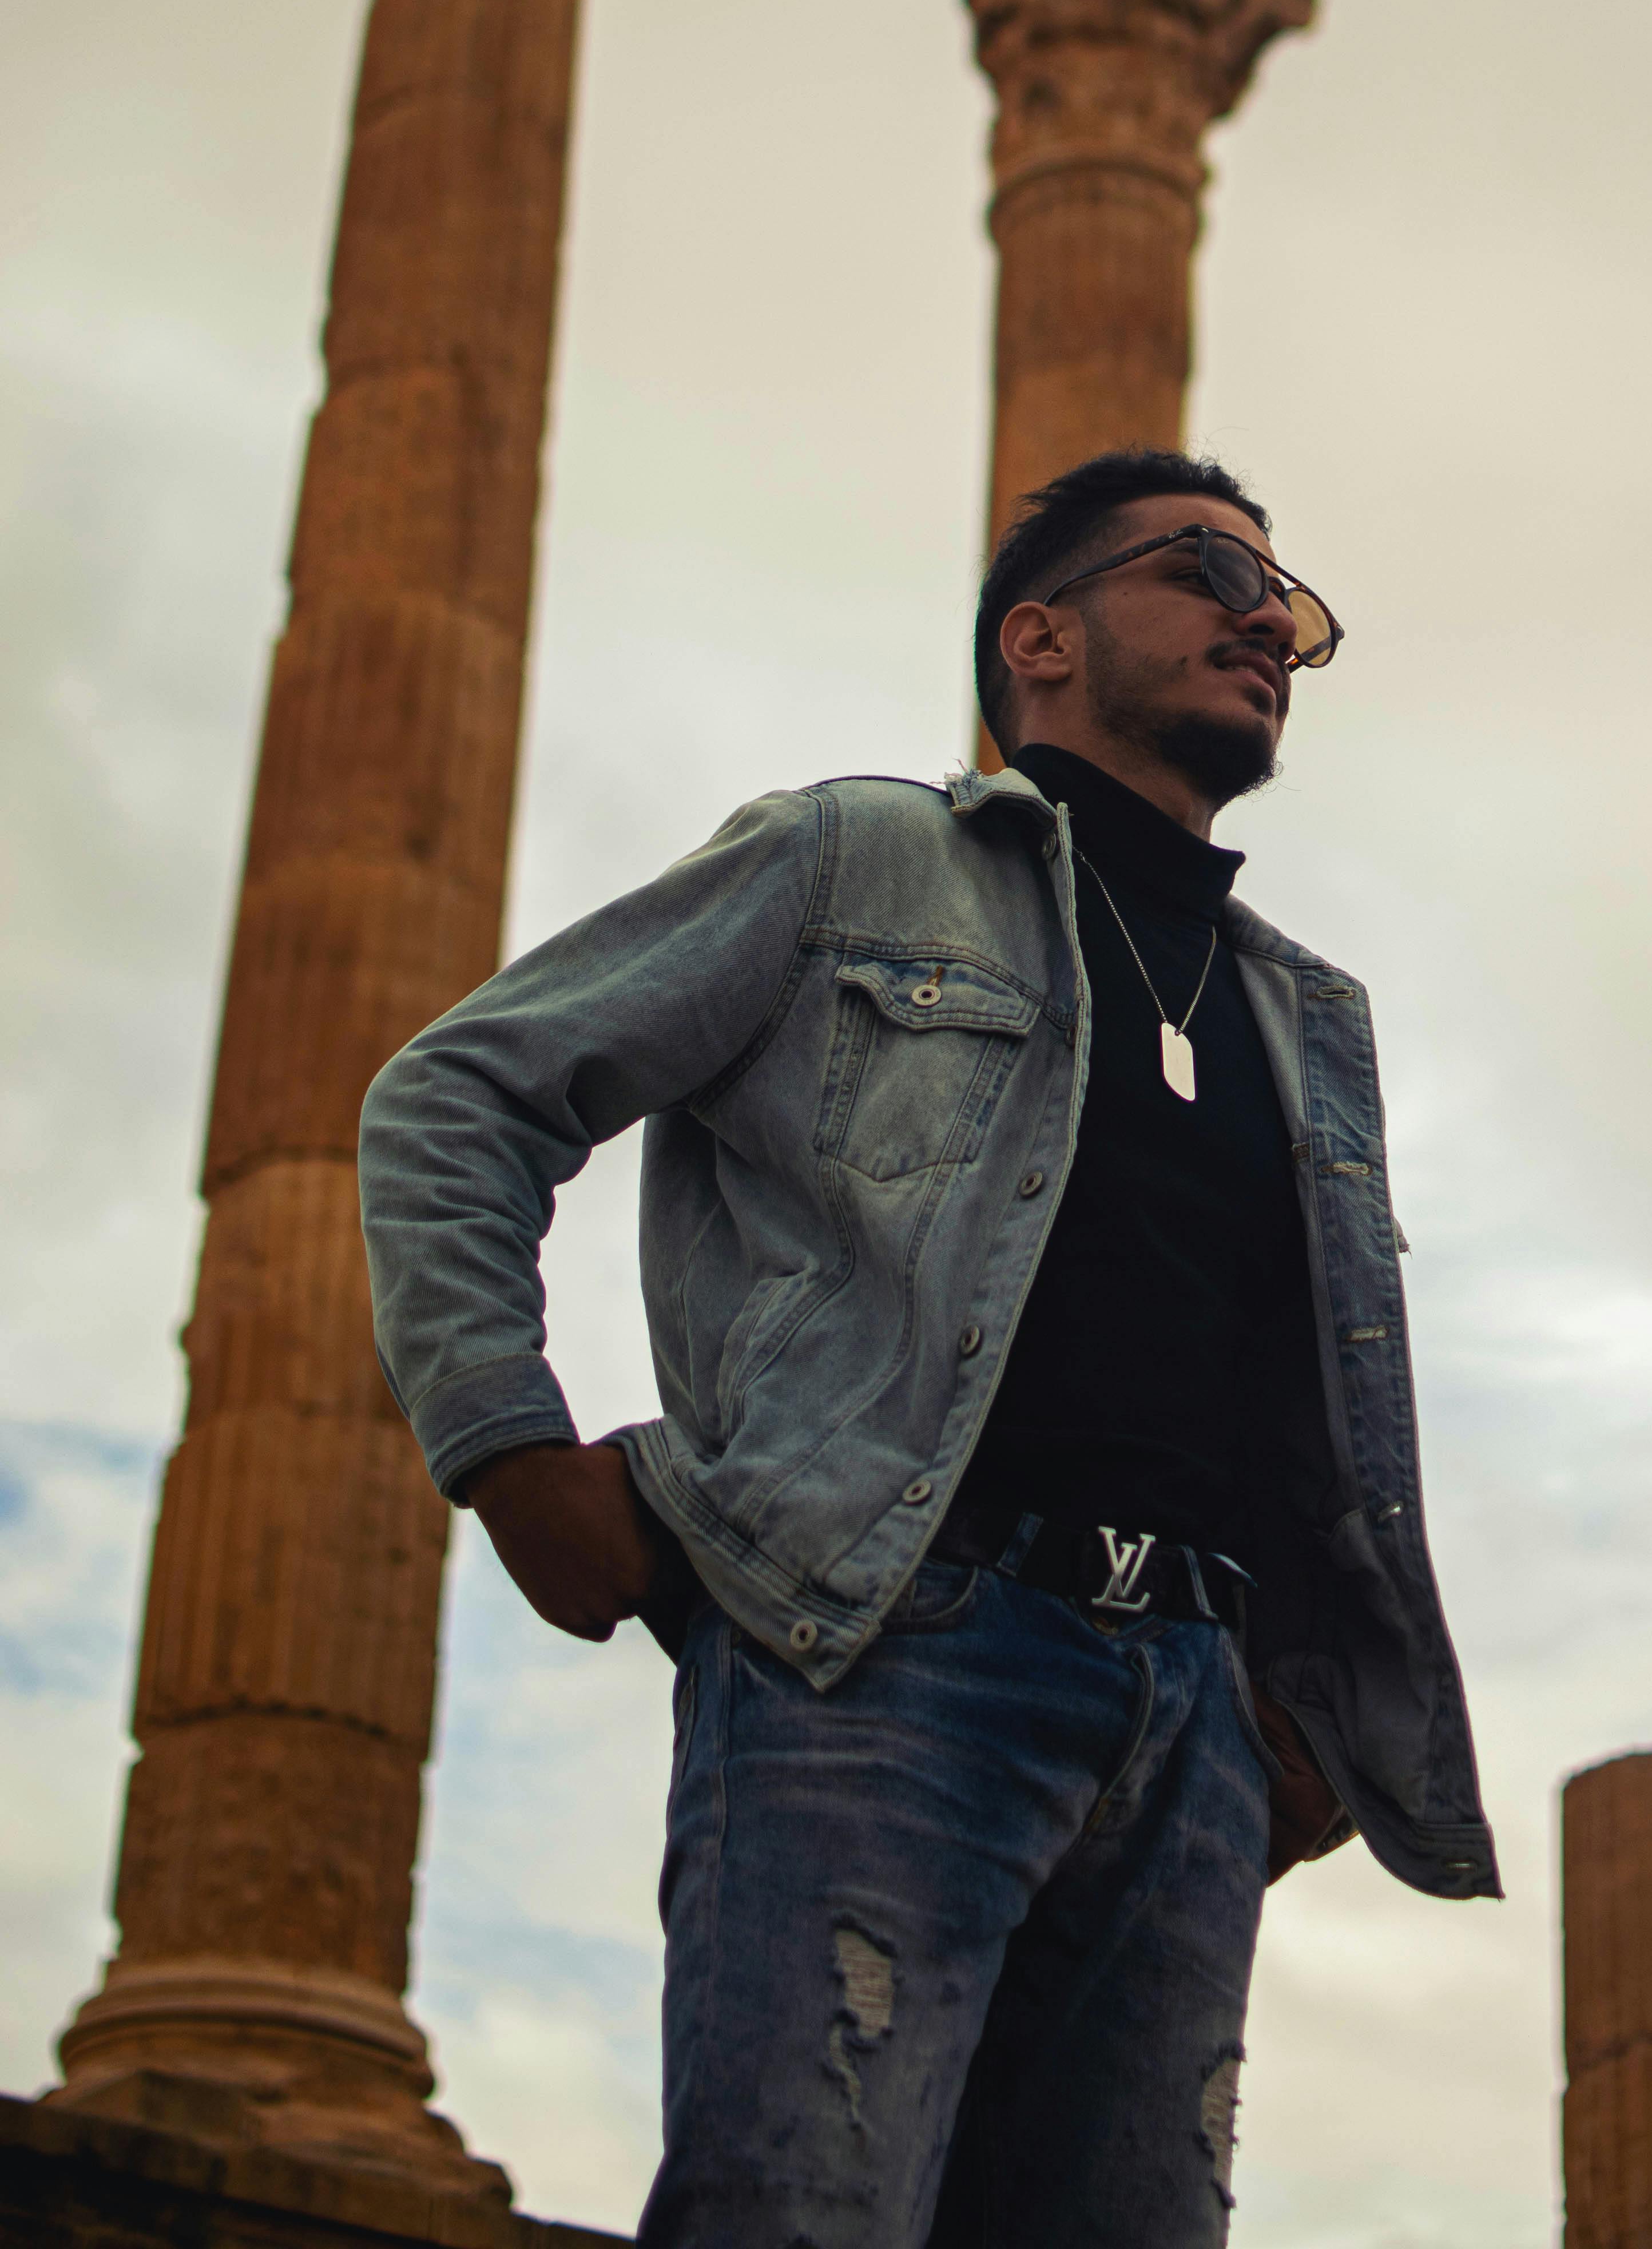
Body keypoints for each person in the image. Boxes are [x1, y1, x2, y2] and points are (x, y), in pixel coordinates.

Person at [359, 448, 1497, 2247]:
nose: (1267, 618)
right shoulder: (855, 859)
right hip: (892, 1655)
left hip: (1192, 1715)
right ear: (1036, 637)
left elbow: (1288, 1403)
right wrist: (502, 1448)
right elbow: (455, 1097)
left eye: (1292, 605)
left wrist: (1305, 1708)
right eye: (1208, 569)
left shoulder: (1304, 1022)